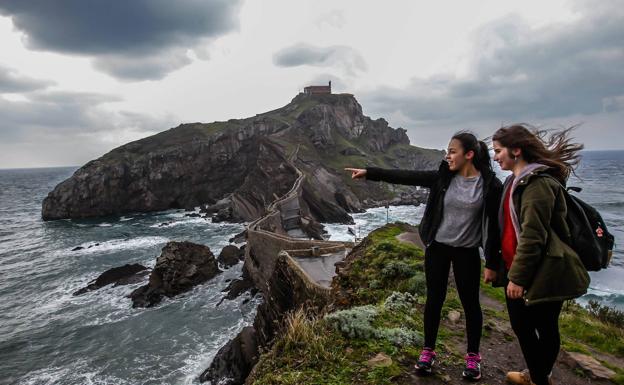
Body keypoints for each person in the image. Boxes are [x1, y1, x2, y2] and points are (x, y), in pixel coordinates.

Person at [346, 132, 503, 381]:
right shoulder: (443, 179)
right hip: (438, 248)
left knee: (471, 304)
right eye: (447, 151)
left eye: (452, 151)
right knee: (434, 299)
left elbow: (496, 226)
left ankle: (473, 357)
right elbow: (407, 176)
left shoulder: (491, 186)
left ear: (469, 154)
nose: (447, 155)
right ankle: (428, 351)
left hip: (467, 252)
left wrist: (493, 263)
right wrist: (370, 172)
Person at [491, 124, 590, 385]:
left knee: (540, 327)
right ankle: (537, 376)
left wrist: (518, 278)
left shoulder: (537, 184)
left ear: (516, 150)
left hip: (543, 270)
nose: (495, 156)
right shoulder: (514, 181)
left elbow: (534, 236)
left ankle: (537, 379)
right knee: (527, 327)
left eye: (498, 151)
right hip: (524, 267)